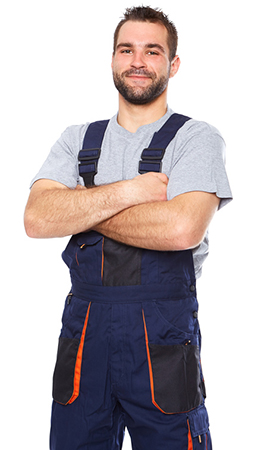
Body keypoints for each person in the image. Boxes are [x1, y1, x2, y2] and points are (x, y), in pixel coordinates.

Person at [24, 6, 232, 450]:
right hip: (83, 337)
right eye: (127, 49)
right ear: (113, 59)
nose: (138, 61)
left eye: (152, 51)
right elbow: (38, 218)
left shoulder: (196, 139)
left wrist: (81, 205)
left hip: (160, 341)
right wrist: (133, 192)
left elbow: (181, 228)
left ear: (172, 64)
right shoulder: (76, 138)